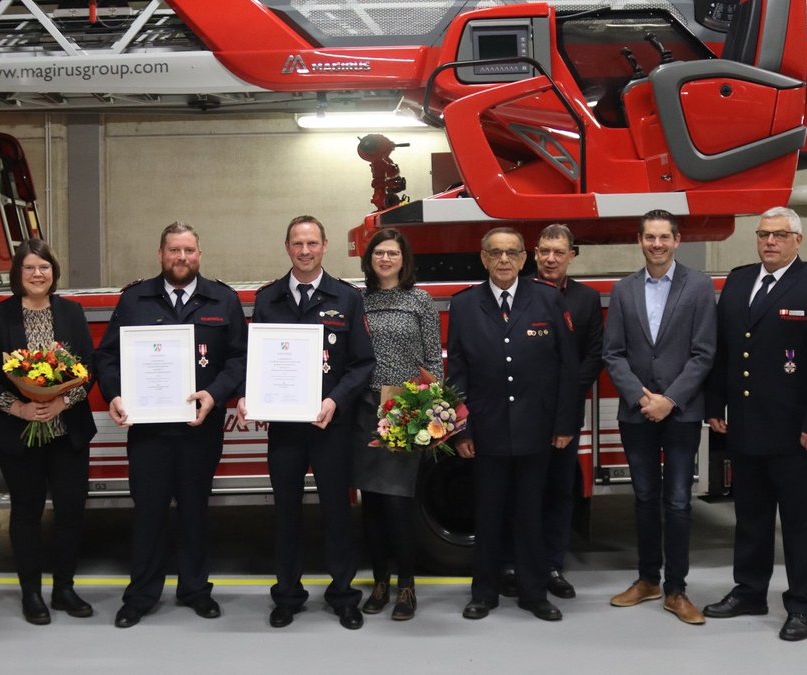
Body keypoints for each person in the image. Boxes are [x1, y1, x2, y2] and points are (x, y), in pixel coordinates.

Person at [702, 207, 807, 641]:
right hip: (747, 427)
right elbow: (725, 351)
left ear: (798, 241)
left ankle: (803, 603)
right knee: (750, 516)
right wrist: (716, 404)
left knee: (802, 523)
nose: (770, 242)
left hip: (797, 433)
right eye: (764, 234)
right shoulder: (738, 280)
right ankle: (750, 590)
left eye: (780, 235)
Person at [94, 222, 247, 628]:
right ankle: (141, 594)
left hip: (201, 428)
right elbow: (107, 357)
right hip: (149, 432)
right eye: (174, 251)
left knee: (196, 511)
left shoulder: (224, 299)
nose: (182, 258)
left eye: (190, 251)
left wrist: (214, 395)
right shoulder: (134, 299)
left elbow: (238, 360)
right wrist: (114, 394)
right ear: (160, 255)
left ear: (200, 254)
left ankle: (195, 590)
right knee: (148, 512)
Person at [241, 215, 375, 630]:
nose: (304, 251)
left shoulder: (348, 298)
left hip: (330, 426)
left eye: (312, 243)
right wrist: (249, 393)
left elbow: (362, 363)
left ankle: (343, 595)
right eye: (297, 244)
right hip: (285, 428)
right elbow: (256, 359)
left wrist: (335, 400)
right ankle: (288, 595)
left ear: (324, 246)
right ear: (287, 247)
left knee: (337, 511)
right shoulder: (268, 299)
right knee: (286, 513)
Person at [447, 227, 578, 623]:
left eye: (512, 253)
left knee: (530, 515)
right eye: (495, 253)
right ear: (483, 258)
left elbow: (566, 368)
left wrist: (563, 423)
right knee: (487, 515)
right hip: (485, 432)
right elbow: (457, 373)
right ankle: (483, 593)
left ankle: (533, 593)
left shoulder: (547, 298)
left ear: (525, 259)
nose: (504, 260)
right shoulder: (465, 305)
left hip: (535, 429)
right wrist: (462, 430)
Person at [0, 239, 97, 625]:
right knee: (26, 514)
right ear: (18, 274)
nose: (38, 274)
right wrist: (21, 406)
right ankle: (31, 593)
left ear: (53, 273)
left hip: (67, 431)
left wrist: (61, 402)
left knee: (71, 511)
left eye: (44, 267)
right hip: (17, 435)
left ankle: (63, 589)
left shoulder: (72, 312)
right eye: (29, 268)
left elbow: (87, 368)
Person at [602, 209, 715, 625]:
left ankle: (676, 590)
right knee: (645, 498)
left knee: (680, 501)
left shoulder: (699, 286)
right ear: (640, 240)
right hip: (637, 414)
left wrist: (670, 400)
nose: (657, 244)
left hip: (681, 414)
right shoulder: (623, 289)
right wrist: (639, 397)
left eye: (664, 237)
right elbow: (612, 352)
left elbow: (705, 352)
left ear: (677, 240)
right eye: (649, 237)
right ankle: (648, 580)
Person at [353, 229, 441, 621]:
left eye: (393, 253)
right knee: (370, 500)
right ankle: (380, 582)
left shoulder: (420, 301)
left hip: (404, 410)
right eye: (379, 253)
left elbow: (434, 364)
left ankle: (406, 585)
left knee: (398, 501)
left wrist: (426, 412)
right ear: (369, 258)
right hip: (363, 410)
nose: (386, 259)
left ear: (404, 259)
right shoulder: (357, 301)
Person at [533, 224, 604, 598]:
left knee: (560, 491)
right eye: (545, 250)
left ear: (572, 255)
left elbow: (594, 355)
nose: (550, 258)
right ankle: (517, 564)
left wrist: (563, 395)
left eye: (559, 252)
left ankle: (553, 567)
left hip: (565, 414)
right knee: (522, 491)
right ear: (535, 253)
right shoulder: (520, 292)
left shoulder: (587, 300)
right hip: (525, 414)